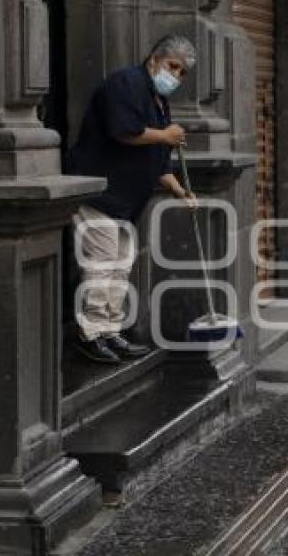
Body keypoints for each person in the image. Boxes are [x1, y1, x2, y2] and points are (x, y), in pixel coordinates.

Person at [68, 35, 198, 364]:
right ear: (154, 60)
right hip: (100, 195)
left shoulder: (158, 101)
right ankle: (90, 335)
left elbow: (159, 161)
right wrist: (166, 135)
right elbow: (123, 130)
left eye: (182, 73)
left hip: (125, 202)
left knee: (120, 266)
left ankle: (110, 331)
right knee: (100, 266)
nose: (176, 77)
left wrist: (180, 190)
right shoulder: (125, 83)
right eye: (173, 67)